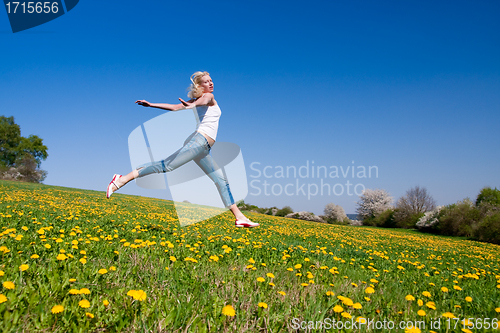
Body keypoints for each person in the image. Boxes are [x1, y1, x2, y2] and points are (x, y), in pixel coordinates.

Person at [106, 71, 259, 228]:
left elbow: (189, 104)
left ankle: (239, 217)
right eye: (206, 82)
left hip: (204, 148)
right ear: (200, 86)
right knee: (167, 166)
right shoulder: (206, 98)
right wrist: (152, 104)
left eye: (211, 80)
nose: (211, 83)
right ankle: (121, 179)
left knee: (221, 180)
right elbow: (176, 107)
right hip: (198, 142)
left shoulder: (205, 99)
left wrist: (192, 105)